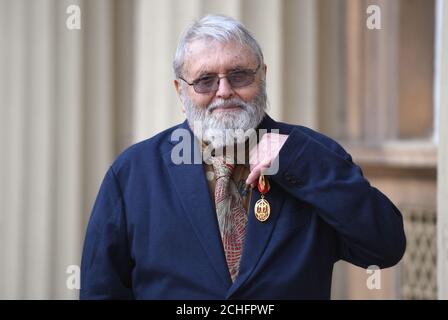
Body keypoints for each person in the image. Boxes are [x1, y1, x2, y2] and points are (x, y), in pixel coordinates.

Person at [80, 14, 406, 300]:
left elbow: (385, 246)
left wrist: (298, 161)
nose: (224, 91)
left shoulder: (312, 154)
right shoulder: (133, 172)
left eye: (239, 75)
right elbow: (101, 290)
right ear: (181, 92)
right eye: (205, 80)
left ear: (262, 76)